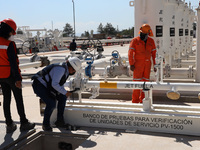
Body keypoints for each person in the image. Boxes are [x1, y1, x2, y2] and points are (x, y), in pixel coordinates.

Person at [0, 18, 35, 133]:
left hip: (1, 76)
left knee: (6, 99)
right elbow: (14, 63)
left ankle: (9, 124)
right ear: (8, 31)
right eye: (12, 32)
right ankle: (24, 123)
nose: (12, 35)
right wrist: (18, 79)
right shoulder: (9, 44)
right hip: (11, 75)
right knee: (18, 99)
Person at [32, 57, 81, 131]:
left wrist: (64, 92)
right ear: (71, 67)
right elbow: (54, 84)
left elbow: (59, 83)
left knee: (62, 97)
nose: (73, 72)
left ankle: (60, 121)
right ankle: (45, 124)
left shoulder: (66, 70)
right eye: (73, 70)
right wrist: (65, 92)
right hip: (39, 85)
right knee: (51, 103)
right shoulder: (61, 69)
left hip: (47, 86)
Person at [128, 24, 157, 103]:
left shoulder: (151, 41)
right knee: (137, 84)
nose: (143, 35)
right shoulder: (135, 40)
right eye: (142, 34)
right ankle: (135, 101)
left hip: (147, 65)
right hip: (137, 65)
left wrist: (155, 65)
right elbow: (130, 53)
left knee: (145, 84)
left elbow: (154, 54)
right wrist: (131, 64)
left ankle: (143, 101)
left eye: (145, 34)